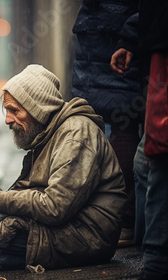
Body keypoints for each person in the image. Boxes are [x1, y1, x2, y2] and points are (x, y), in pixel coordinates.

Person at [0, 65, 127, 271]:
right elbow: (31, 195)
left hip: (86, 235)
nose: (7, 120)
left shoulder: (76, 135)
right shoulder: (47, 132)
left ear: (37, 108)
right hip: (63, 224)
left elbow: (55, 207)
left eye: (14, 110)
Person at [71, 0, 141, 246]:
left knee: (103, 126)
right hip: (115, 33)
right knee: (122, 125)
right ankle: (120, 219)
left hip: (102, 33)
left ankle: (113, 217)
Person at [111, 1, 168, 278]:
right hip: (155, 54)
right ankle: (152, 257)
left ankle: (155, 261)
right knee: (147, 160)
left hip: (161, 55)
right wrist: (133, 37)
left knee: (153, 159)